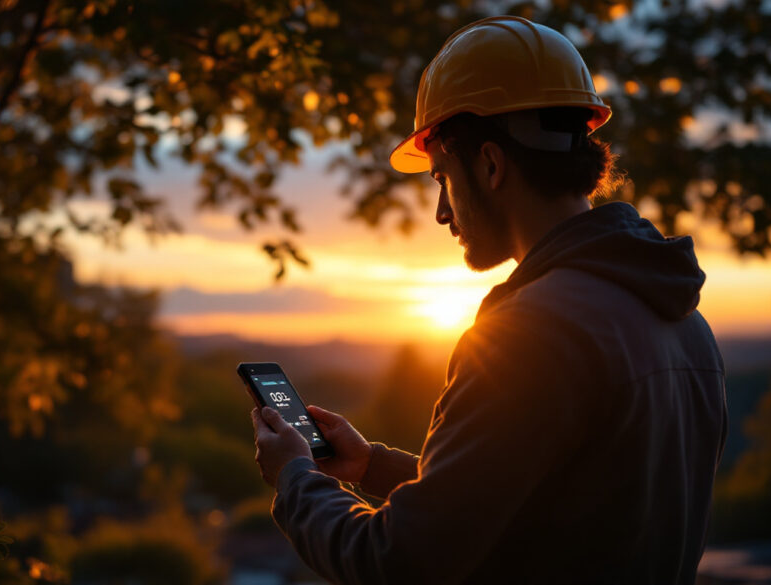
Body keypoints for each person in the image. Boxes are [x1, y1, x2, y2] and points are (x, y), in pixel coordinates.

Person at [250, 15, 728, 584]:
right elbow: (555, 511)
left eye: (441, 179)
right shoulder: (683, 319)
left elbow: (394, 562)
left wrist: (297, 480)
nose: (442, 212)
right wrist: (372, 467)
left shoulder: (528, 333)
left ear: (491, 165)